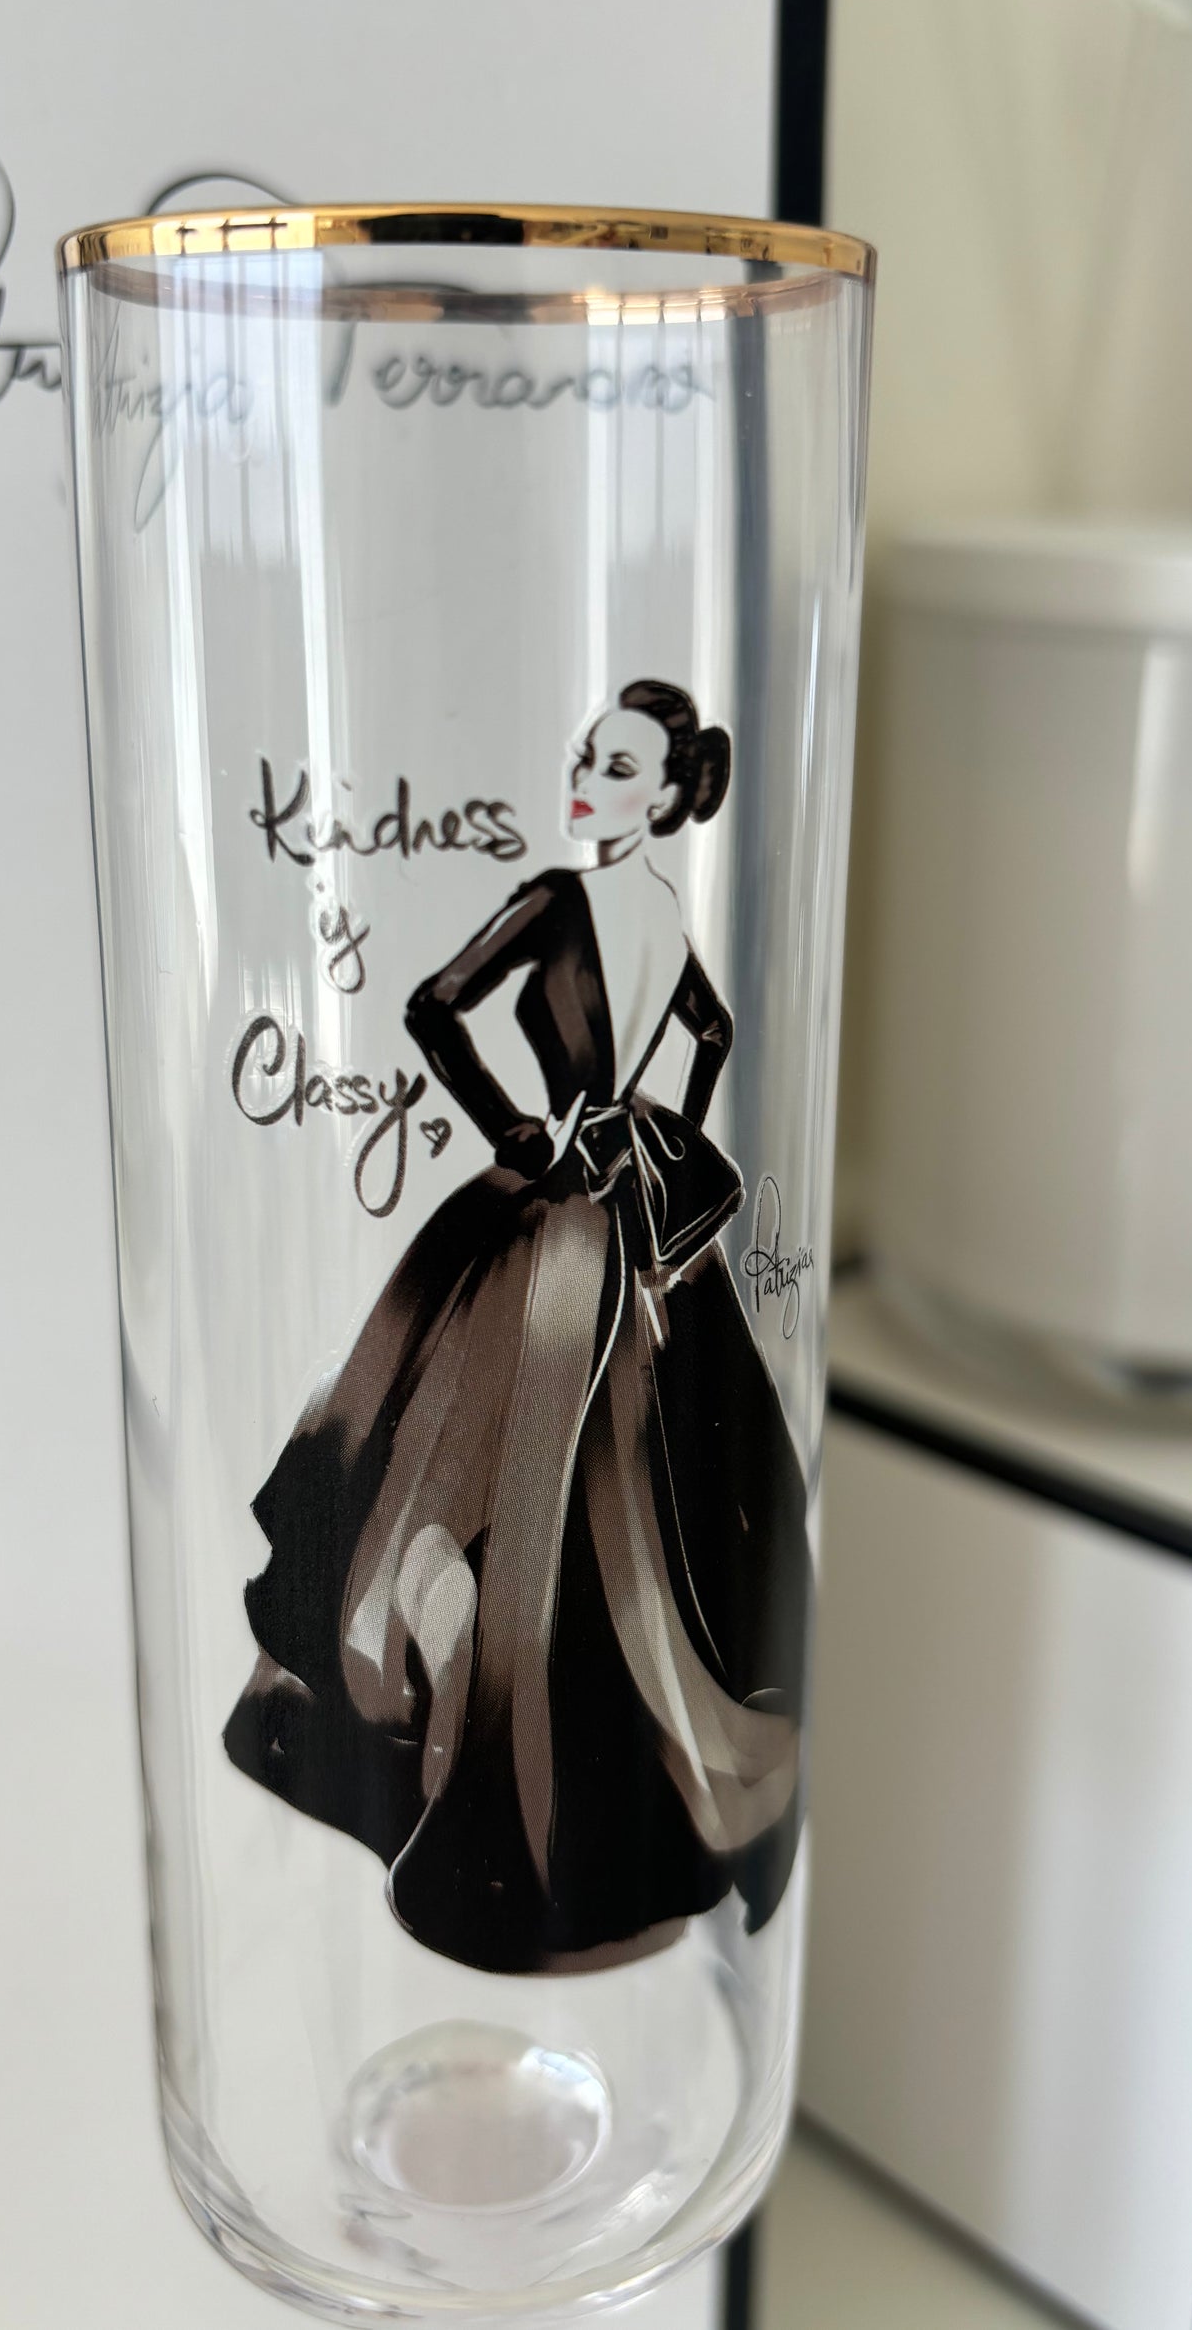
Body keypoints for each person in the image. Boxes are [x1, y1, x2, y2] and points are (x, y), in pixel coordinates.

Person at [223, 679, 812, 1975]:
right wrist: (629, 1130)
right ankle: (561, 1759)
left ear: (670, 795)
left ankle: (543, 1765)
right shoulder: (626, 910)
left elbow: (440, 1006)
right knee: (562, 1483)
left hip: (570, 1219)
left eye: (616, 766)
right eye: (585, 757)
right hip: (613, 1211)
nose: (584, 780)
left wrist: (537, 1132)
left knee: (554, 1485)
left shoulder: (571, 901)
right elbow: (695, 1034)